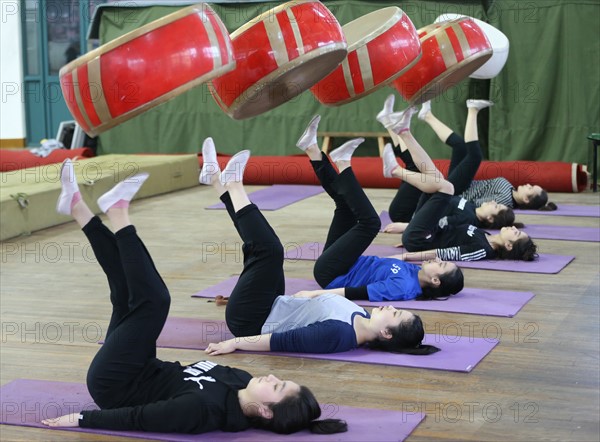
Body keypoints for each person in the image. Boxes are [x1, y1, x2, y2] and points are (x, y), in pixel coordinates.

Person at [42, 159, 346, 435]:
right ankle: (77, 207)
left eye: (277, 386)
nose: (270, 376)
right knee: (124, 293)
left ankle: (118, 212)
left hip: (114, 383)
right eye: (279, 379)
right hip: (142, 365)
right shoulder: (242, 380)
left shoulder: (202, 412)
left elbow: (139, 418)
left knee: (155, 301)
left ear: (266, 411)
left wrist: (82, 419)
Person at [198, 138, 440, 356]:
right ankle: (218, 181)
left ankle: (234, 184)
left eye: (395, 313)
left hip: (252, 320)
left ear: (387, 333)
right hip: (275, 304)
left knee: (270, 250)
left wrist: (237, 342)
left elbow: (285, 340)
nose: (391, 307)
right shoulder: (365, 318)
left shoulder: (340, 335)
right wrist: (312, 295)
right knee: (262, 247)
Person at [292, 115, 463, 303]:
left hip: (332, 274)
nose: (438, 259)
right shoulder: (417, 272)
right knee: (345, 207)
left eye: (442, 264)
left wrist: (313, 295)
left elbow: (357, 293)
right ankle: (312, 149)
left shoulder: (403, 288)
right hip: (346, 262)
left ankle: (343, 164)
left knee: (371, 223)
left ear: (435, 280)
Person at [379, 106, 538, 263]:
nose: (515, 229)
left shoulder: (482, 249)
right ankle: (404, 132)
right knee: (438, 178)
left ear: (509, 246)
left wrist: (406, 255)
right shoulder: (485, 236)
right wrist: (411, 230)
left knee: (447, 187)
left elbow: (445, 253)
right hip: (424, 230)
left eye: (516, 234)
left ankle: (395, 170)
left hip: (420, 238)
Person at [377, 95, 556, 223]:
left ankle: (472, 110)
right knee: (460, 148)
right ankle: (415, 119)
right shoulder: (508, 188)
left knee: (474, 155)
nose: (528, 184)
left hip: (455, 193)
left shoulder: (505, 203)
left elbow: (473, 208)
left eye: (531, 189)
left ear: (526, 200)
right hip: (460, 185)